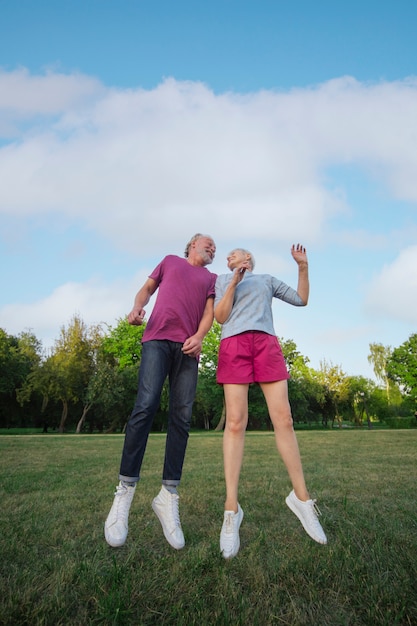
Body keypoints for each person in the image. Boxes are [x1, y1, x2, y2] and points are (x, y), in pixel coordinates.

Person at [214, 244, 327, 559]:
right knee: (236, 422)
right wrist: (233, 282)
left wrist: (302, 266)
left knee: (285, 419)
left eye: (233, 254)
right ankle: (231, 510)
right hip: (233, 343)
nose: (228, 258)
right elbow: (220, 316)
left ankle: (302, 500)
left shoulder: (266, 279)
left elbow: (301, 300)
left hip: (265, 342)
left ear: (247, 258)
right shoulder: (222, 281)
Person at [105, 233, 217, 550]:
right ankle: (124, 492)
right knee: (146, 405)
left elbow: (209, 312)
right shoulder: (170, 261)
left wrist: (200, 336)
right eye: (208, 243)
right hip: (156, 339)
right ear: (192, 244)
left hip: (188, 349)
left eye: (216, 248)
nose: (212, 248)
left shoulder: (211, 278)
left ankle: (168, 495)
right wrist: (137, 307)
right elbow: (147, 289)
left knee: (182, 417)